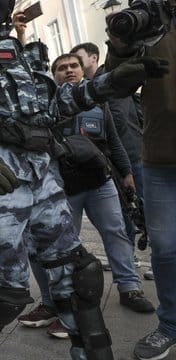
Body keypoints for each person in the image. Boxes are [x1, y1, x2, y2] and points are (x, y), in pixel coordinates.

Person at [0, 0, 166, 358]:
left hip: (43, 180)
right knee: (0, 296)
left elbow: (53, 104)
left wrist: (108, 84)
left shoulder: (16, 49)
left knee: (79, 278)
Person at [18, 53, 155, 339]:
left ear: (82, 70)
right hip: (61, 187)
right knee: (56, 247)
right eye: (62, 68)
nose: (68, 71)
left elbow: (114, 140)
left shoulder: (98, 102)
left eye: (73, 66)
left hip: (99, 181)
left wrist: (126, 172)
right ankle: (54, 303)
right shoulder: (45, 106)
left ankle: (129, 288)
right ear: (53, 74)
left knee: (116, 232)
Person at [104, 3, 176, 359]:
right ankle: (170, 326)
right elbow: (116, 88)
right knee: (164, 248)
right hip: (160, 157)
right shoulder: (147, 21)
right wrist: (119, 46)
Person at [71, 42, 145, 254]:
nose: (73, 62)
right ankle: (129, 256)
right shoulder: (90, 86)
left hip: (128, 155)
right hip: (113, 157)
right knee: (125, 212)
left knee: (139, 210)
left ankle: (141, 255)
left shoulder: (107, 84)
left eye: (78, 57)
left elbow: (117, 122)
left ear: (93, 58)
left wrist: (95, 132)